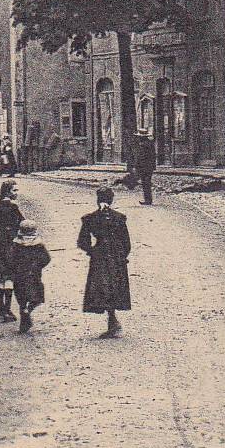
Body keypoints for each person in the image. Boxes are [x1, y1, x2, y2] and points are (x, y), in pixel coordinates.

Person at [77, 186, 132, 338]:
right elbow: (127, 243)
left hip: (100, 256)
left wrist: (92, 251)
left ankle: (112, 320)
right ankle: (112, 319)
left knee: (102, 287)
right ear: (111, 200)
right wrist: (121, 255)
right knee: (115, 286)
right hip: (116, 257)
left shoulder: (90, 218)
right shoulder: (119, 218)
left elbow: (82, 241)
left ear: (97, 200)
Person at [0, 180, 23, 320]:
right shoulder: (13, 208)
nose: (16, 193)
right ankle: (7, 309)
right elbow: (22, 224)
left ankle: (0, 308)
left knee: (0, 274)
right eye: (14, 190)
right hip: (11, 244)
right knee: (10, 275)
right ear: (8, 192)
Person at [9, 220, 51, 334]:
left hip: (19, 276)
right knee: (36, 296)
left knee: (21, 298)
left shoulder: (16, 245)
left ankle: (24, 315)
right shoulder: (39, 245)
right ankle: (29, 309)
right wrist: (38, 266)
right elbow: (46, 258)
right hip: (34, 275)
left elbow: (11, 260)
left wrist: (14, 270)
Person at [136, 133, 157, 205]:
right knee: (146, 183)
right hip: (149, 167)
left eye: (139, 137)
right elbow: (153, 156)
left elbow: (140, 158)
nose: (138, 138)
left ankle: (148, 200)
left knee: (145, 183)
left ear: (142, 137)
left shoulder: (143, 145)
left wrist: (137, 166)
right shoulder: (150, 144)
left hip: (144, 167)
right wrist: (153, 167)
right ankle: (148, 200)